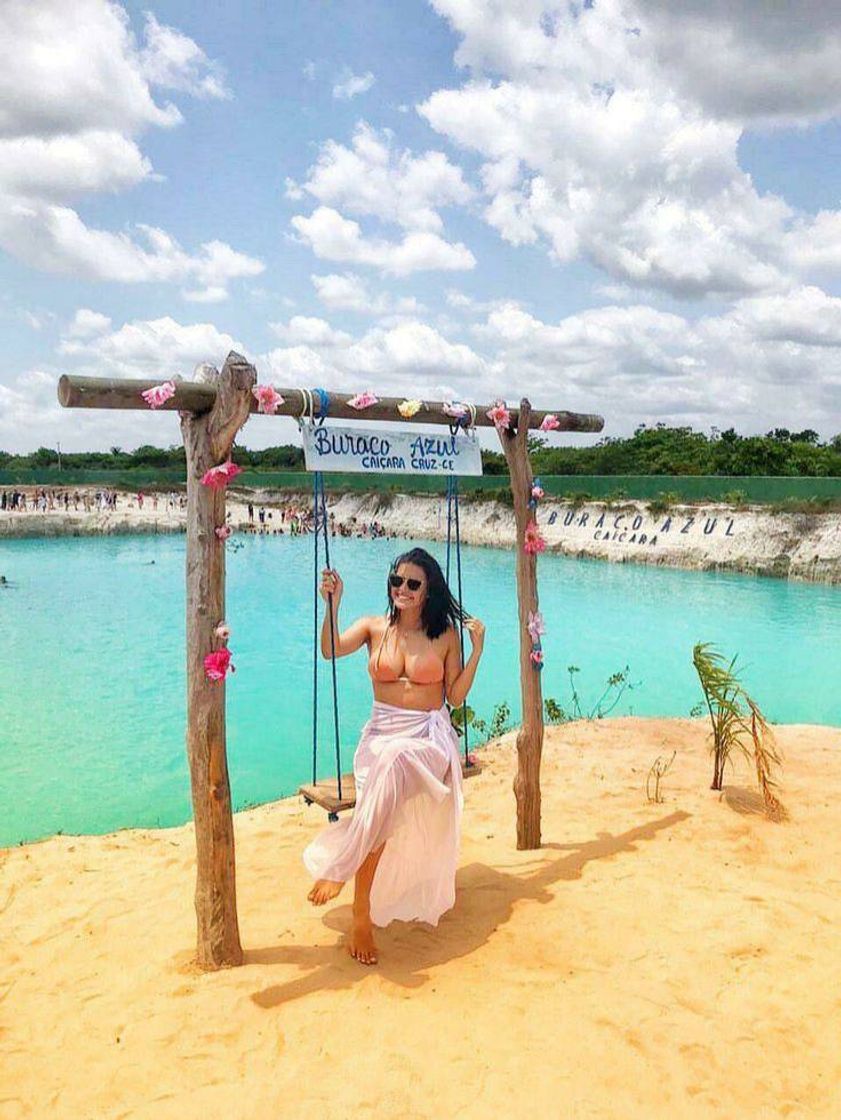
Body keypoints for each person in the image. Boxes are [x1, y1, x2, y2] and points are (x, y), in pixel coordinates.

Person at [303, 547, 485, 966]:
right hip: (380, 738)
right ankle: (360, 910)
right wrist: (332, 605)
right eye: (396, 581)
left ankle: (346, 880)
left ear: (428, 590)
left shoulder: (445, 636)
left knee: (397, 763)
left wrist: (477, 651)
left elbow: (454, 698)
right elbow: (330, 649)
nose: (402, 589)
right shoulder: (373, 627)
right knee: (383, 785)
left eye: (413, 583)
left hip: (426, 739)